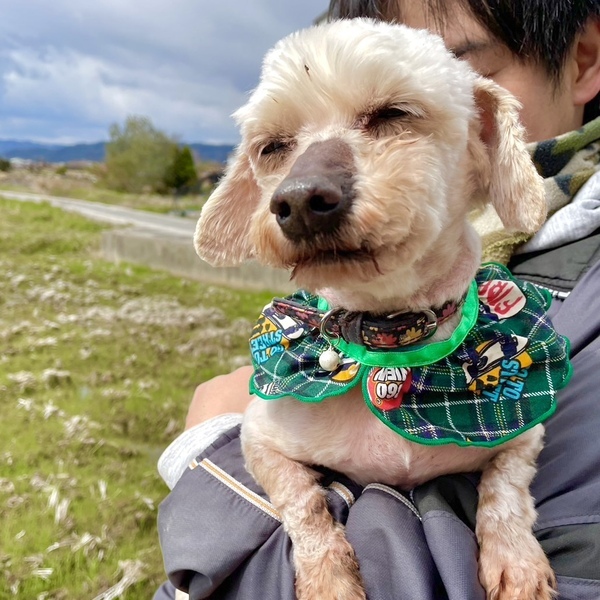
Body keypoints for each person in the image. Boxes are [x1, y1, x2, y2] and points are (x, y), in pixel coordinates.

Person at [154, 1, 600, 598]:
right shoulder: (295, 375)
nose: (303, 188)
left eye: (392, 115)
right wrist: (313, 537)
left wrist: (211, 449)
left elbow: (522, 445)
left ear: (482, 131)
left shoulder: (537, 341)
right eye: (276, 147)